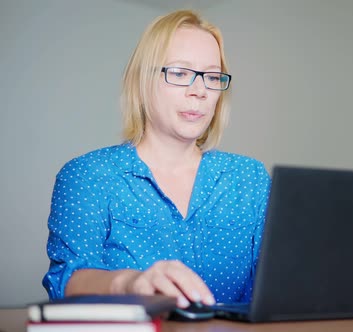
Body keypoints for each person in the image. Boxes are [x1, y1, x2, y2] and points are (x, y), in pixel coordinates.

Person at [42, 10, 270, 308]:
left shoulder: (248, 178)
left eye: (212, 76)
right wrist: (131, 282)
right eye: (179, 73)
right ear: (142, 80)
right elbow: (66, 281)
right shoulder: (88, 175)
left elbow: (276, 287)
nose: (199, 91)